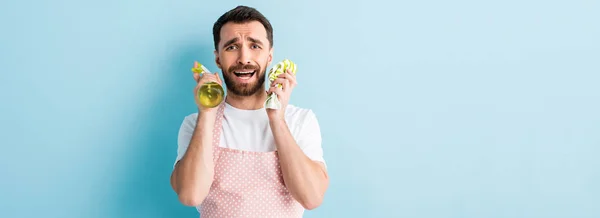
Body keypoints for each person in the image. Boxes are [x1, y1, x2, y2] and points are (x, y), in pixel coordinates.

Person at [170, 5, 329, 217]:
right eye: (232, 47)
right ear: (217, 58)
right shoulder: (196, 124)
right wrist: (207, 114)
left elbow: (311, 197)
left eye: (255, 46)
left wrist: (277, 118)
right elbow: (190, 195)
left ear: (269, 56)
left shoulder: (300, 120)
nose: (244, 58)